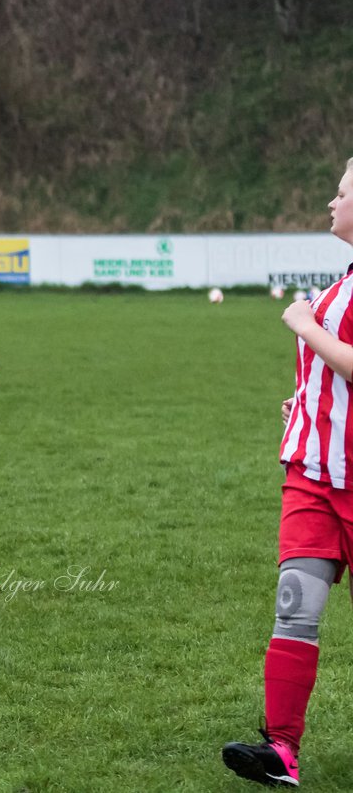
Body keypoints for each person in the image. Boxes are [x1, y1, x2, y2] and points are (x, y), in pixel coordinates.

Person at [221, 160, 353, 788]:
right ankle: (281, 751)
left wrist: (302, 324)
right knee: (295, 605)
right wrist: (305, 402)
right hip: (313, 474)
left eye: (343, 193)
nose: (331, 201)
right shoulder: (343, 280)